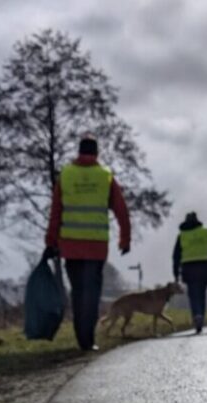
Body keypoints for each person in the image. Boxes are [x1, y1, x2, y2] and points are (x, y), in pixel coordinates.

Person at [44, 135, 131, 351]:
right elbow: (122, 211)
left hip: (70, 246)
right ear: (97, 152)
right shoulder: (105, 177)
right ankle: (88, 339)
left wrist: (51, 242)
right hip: (96, 246)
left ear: (79, 151)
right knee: (91, 293)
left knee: (78, 292)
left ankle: (81, 337)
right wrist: (124, 239)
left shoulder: (66, 175)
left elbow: (55, 212)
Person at [172, 212, 207, 333]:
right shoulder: (206, 233)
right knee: (201, 294)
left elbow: (176, 257)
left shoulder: (182, 236)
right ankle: (200, 316)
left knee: (193, 294)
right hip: (205, 268)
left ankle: (197, 315)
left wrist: (176, 274)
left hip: (188, 269)